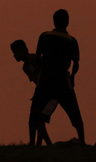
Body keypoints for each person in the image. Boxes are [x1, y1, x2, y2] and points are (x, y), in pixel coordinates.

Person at [34, 9, 85, 145]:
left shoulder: (44, 36)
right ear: (67, 22)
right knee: (74, 114)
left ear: (54, 21)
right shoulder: (71, 41)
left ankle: (39, 144)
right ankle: (82, 142)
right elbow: (76, 64)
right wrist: (73, 77)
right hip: (63, 82)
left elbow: (38, 58)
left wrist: (38, 75)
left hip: (45, 81)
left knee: (41, 115)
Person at [10, 39, 52, 146]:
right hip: (41, 92)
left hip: (46, 91)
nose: (14, 56)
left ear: (22, 50)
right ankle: (37, 144)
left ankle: (39, 144)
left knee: (36, 120)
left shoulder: (34, 60)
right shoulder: (25, 67)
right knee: (37, 121)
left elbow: (40, 77)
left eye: (15, 52)